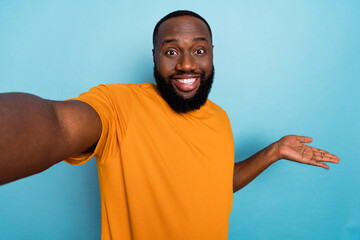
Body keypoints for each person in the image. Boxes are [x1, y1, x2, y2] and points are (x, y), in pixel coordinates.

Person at [0, 10, 339, 240]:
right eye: (172, 52)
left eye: (199, 50)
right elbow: (58, 123)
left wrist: (273, 152)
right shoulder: (119, 105)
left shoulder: (219, 118)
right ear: (154, 57)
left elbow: (216, 185)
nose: (187, 64)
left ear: (211, 54)